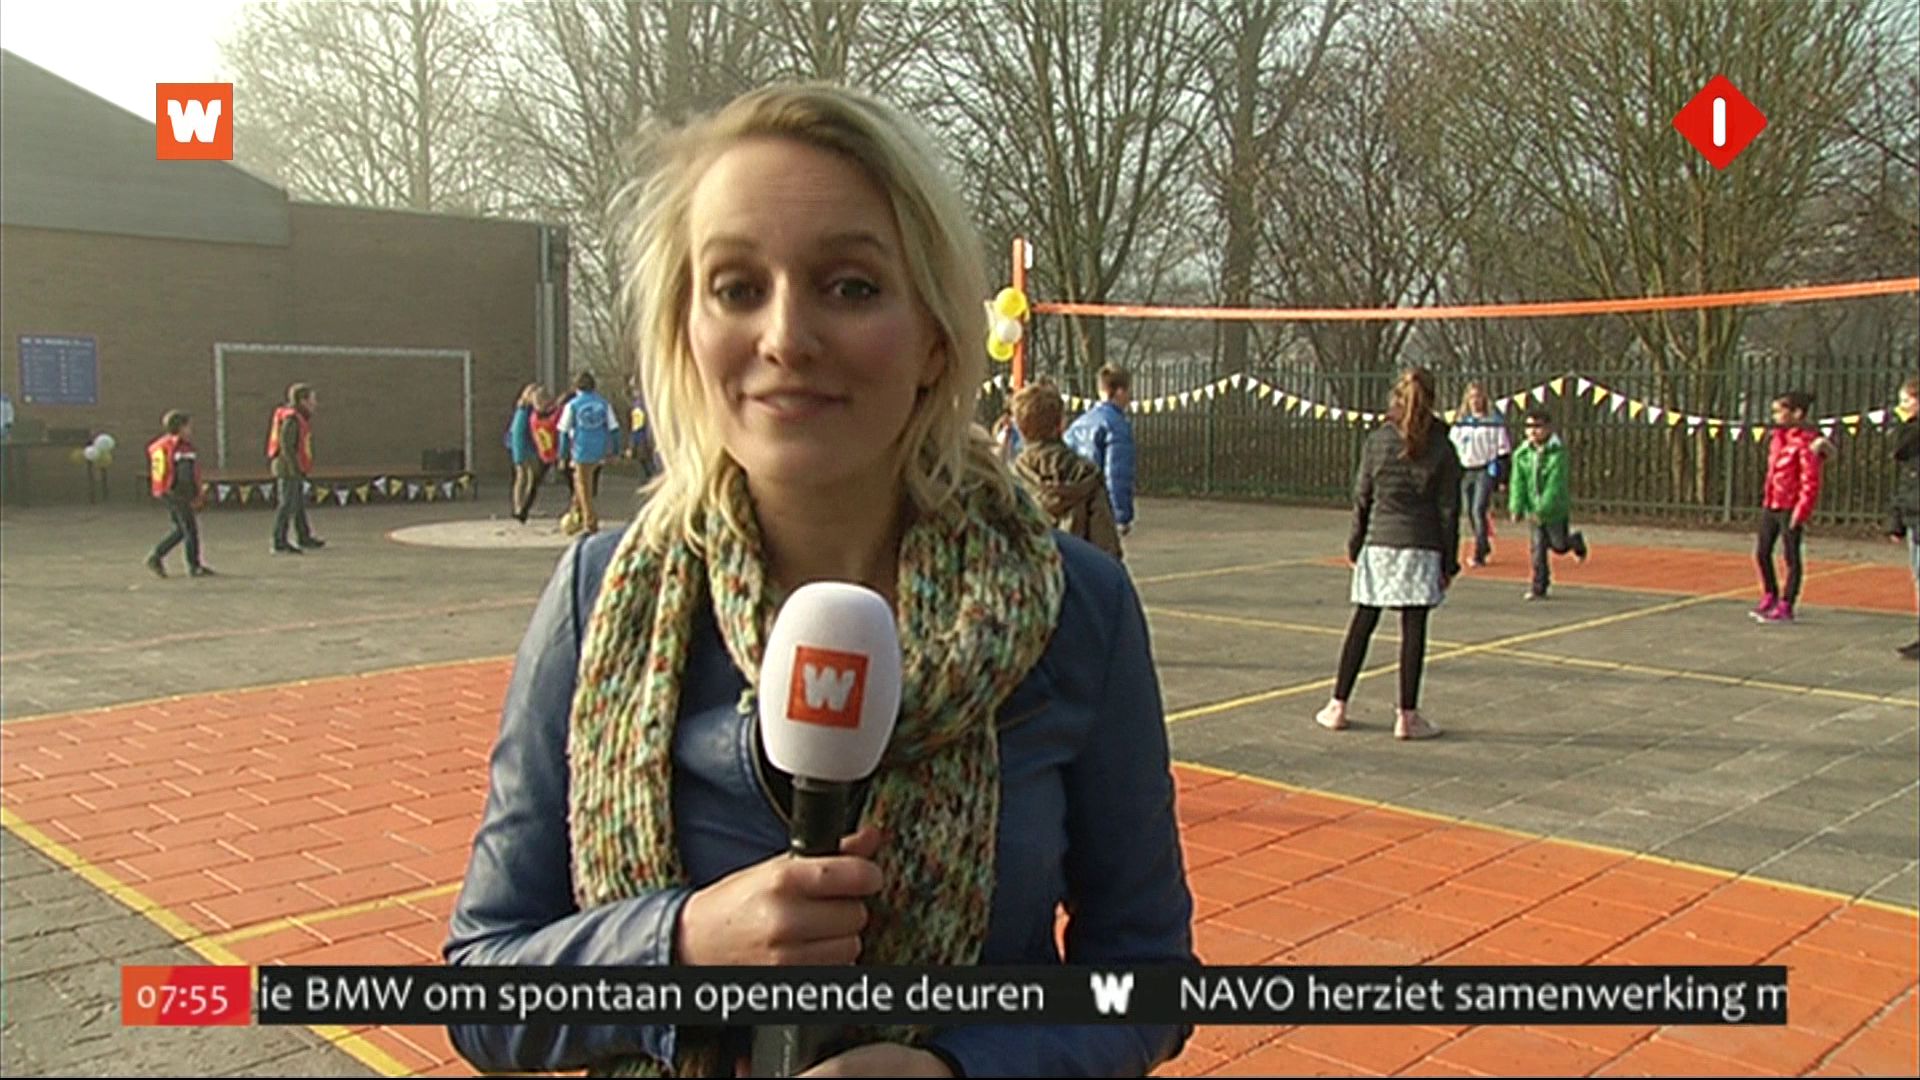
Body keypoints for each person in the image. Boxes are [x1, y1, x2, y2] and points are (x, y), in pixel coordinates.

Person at [444, 83, 1192, 1079]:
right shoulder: (597, 593)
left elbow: (1145, 977)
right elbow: (481, 990)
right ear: (684, 329)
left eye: (850, 286)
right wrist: (680, 945)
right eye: (736, 287)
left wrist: (957, 1072)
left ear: (935, 337)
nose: (787, 338)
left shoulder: (1078, 608)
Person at [1316, 367, 1461, 741]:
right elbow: (1448, 510)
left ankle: (1338, 705)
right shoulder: (1442, 447)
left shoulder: (1378, 441)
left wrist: (1355, 543)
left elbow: (1362, 497)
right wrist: (1449, 561)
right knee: (1414, 628)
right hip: (1421, 542)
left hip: (1380, 540)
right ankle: (1407, 716)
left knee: (1363, 620)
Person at [1011, 382, 1124, 561]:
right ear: (1061, 424)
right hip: (1076, 570)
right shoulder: (1085, 475)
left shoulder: (1010, 478)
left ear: (1020, 427)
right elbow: (1105, 545)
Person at [1752, 390, 1828, 624]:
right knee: (1762, 552)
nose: (1774, 416)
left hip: (1790, 506)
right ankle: (1770, 594)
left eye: (1779, 411)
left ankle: (1787, 603)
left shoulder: (1806, 442)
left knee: (1791, 556)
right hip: (1772, 502)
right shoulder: (1777, 438)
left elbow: (1810, 480)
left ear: (1796, 413)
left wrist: (1801, 510)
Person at [1508, 408, 1589, 600]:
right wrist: (1516, 506)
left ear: (1548, 429)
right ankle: (1539, 586)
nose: (1533, 431)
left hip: (1554, 510)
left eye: (1538, 427)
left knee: (1559, 545)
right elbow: (1517, 482)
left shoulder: (1557, 454)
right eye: (1529, 427)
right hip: (1533, 511)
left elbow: (1555, 484)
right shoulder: (1522, 454)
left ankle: (1575, 541)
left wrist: (1542, 509)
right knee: (1538, 549)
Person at [1064, 364, 1136, 537]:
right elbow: (1117, 473)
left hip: (1074, 502)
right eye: (1129, 391)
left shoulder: (1078, 424)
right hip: (1099, 506)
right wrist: (1121, 515)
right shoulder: (1116, 426)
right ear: (1120, 392)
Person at [144, 410, 213, 578]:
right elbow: (185, 473)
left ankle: (156, 556)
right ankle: (193, 565)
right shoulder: (182, 447)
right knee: (190, 529)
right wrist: (194, 494)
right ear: (181, 428)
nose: (191, 430)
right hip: (177, 491)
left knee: (181, 529)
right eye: (188, 426)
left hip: (163, 490)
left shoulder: (162, 444)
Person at [1449, 382, 1510, 568]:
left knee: (1478, 509)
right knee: (1469, 511)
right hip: (1465, 470)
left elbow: (1503, 450)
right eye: (1471, 397)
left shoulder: (1493, 423)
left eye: (1478, 397)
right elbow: (1452, 447)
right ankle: (1483, 543)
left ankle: (1479, 552)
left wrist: (1502, 477)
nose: (1475, 401)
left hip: (1485, 470)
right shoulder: (1461, 423)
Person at [557, 370, 622, 535]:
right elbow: (614, 429)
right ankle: (575, 514)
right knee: (580, 482)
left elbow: (563, 431)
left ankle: (590, 521)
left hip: (581, 449)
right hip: (599, 449)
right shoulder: (603, 404)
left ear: (576, 387)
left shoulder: (572, 405)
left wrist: (562, 455)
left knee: (584, 487)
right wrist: (615, 450)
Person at [267, 383, 324, 555]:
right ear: (302, 401)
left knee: (298, 503)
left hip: (294, 467)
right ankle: (279, 541)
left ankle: (304, 536)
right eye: (312, 399)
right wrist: (295, 469)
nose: (315, 403)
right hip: (288, 468)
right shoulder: (291, 419)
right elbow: (287, 445)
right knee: (286, 504)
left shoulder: (299, 417)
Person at [1887, 376, 1919, 658]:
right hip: (1913, 514)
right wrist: (1896, 520)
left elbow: (1900, 448)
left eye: (1907, 401)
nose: (1902, 407)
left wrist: (1907, 423)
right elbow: (1905, 481)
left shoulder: (1913, 432)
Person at [508, 384, 555, 523]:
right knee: (525, 477)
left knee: (524, 477)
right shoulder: (526, 411)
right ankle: (520, 506)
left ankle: (521, 506)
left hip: (522, 448)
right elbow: (523, 432)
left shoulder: (522, 410)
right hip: (524, 448)